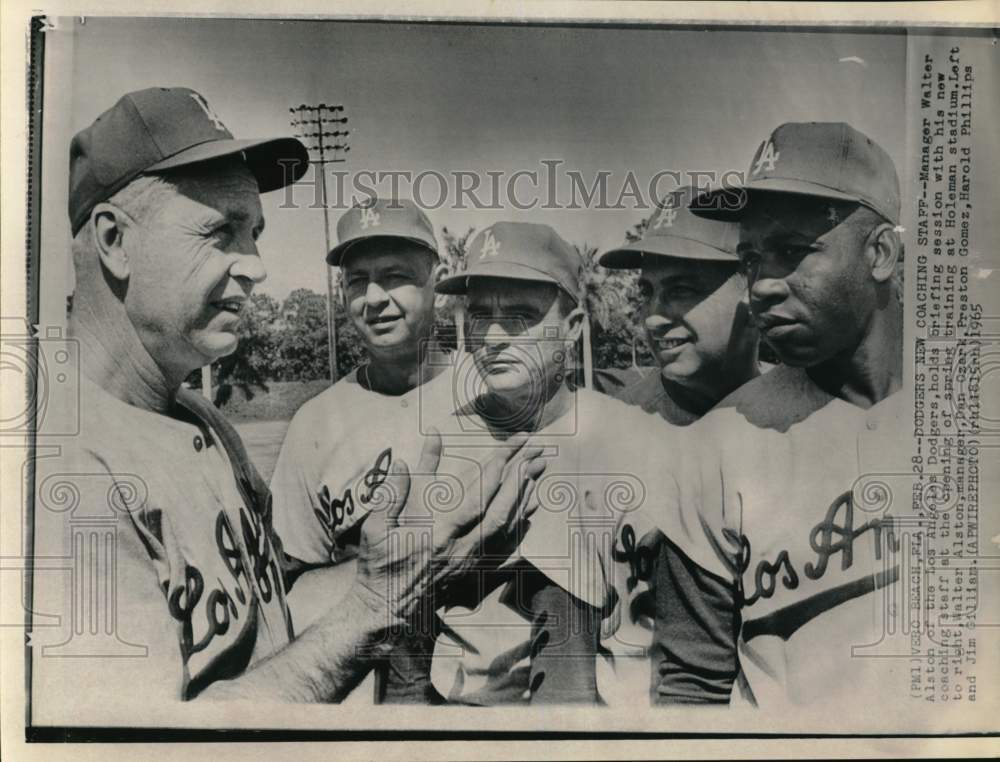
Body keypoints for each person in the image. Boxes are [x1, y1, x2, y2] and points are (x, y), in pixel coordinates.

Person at [29, 88, 545, 724]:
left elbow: (271, 614)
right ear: (113, 238)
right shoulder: (55, 468)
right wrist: (381, 603)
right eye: (221, 231)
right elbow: (144, 742)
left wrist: (418, 557)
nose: (257, 266)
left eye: (255, 232)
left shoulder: (204, 421)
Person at [421, 222, 725, 705]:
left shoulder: (642, 440)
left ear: (574, 327)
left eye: (521, 316)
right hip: (465, 713)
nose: (494, 336)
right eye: (480, 315)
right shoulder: (439, 445)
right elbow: (402, 622)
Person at [660, 121, 906, 708]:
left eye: (793, 251)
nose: (760, 287)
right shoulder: (714, 447)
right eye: (750, 259)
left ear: (881, 253)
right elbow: (690, 687)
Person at [270, 197, 459, 703]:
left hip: (479, 697)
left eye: (396, 276)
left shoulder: (494, 396)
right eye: (358, 281)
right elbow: (295, 579)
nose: (373, 297)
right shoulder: (315, 423)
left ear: (437, 280)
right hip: (367, 698)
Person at [595, 185, 764, 425]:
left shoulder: (811, 410)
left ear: (751, 291)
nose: (652, 320)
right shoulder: (618, 428)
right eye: (647, 292)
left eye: (681, 290)